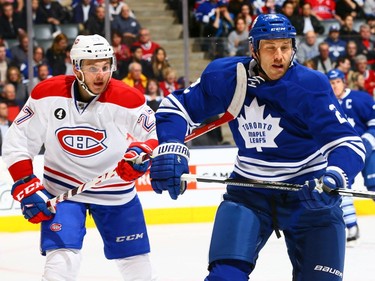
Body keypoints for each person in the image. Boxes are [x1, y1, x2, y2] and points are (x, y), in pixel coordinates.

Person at [149, 14, 365, 281]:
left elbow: (348, 142)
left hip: (308, 195)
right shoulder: (227, 76)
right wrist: (171, 146)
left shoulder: (310, 86)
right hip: (248, 194)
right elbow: (176, 107)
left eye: (285, 47)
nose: (279, 56)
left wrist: (334, 176)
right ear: (253, 49)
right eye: (270, 47)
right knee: (224, 278)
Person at [2, 34, 158, 281]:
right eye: (93, 67)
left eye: (106, 67)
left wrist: (141, 155)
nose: (101, 75)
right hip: (63, 189)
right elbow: (18, 141)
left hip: (115, 189)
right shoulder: (47, 94)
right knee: (61, 258)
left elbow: (153, 134)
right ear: (76, 67)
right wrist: (26, 183)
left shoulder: (128, 98)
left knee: (134, 261)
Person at [326, 69, 375, 246]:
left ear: (344, 82)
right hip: (344, 153)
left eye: (337, 82)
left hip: (367, 150)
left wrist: (367, 142)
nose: (334, 86)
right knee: (343, 187)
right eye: (331, 83)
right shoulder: (326, 102)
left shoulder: (361, 98)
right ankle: (352, 227)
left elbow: (374, 123)